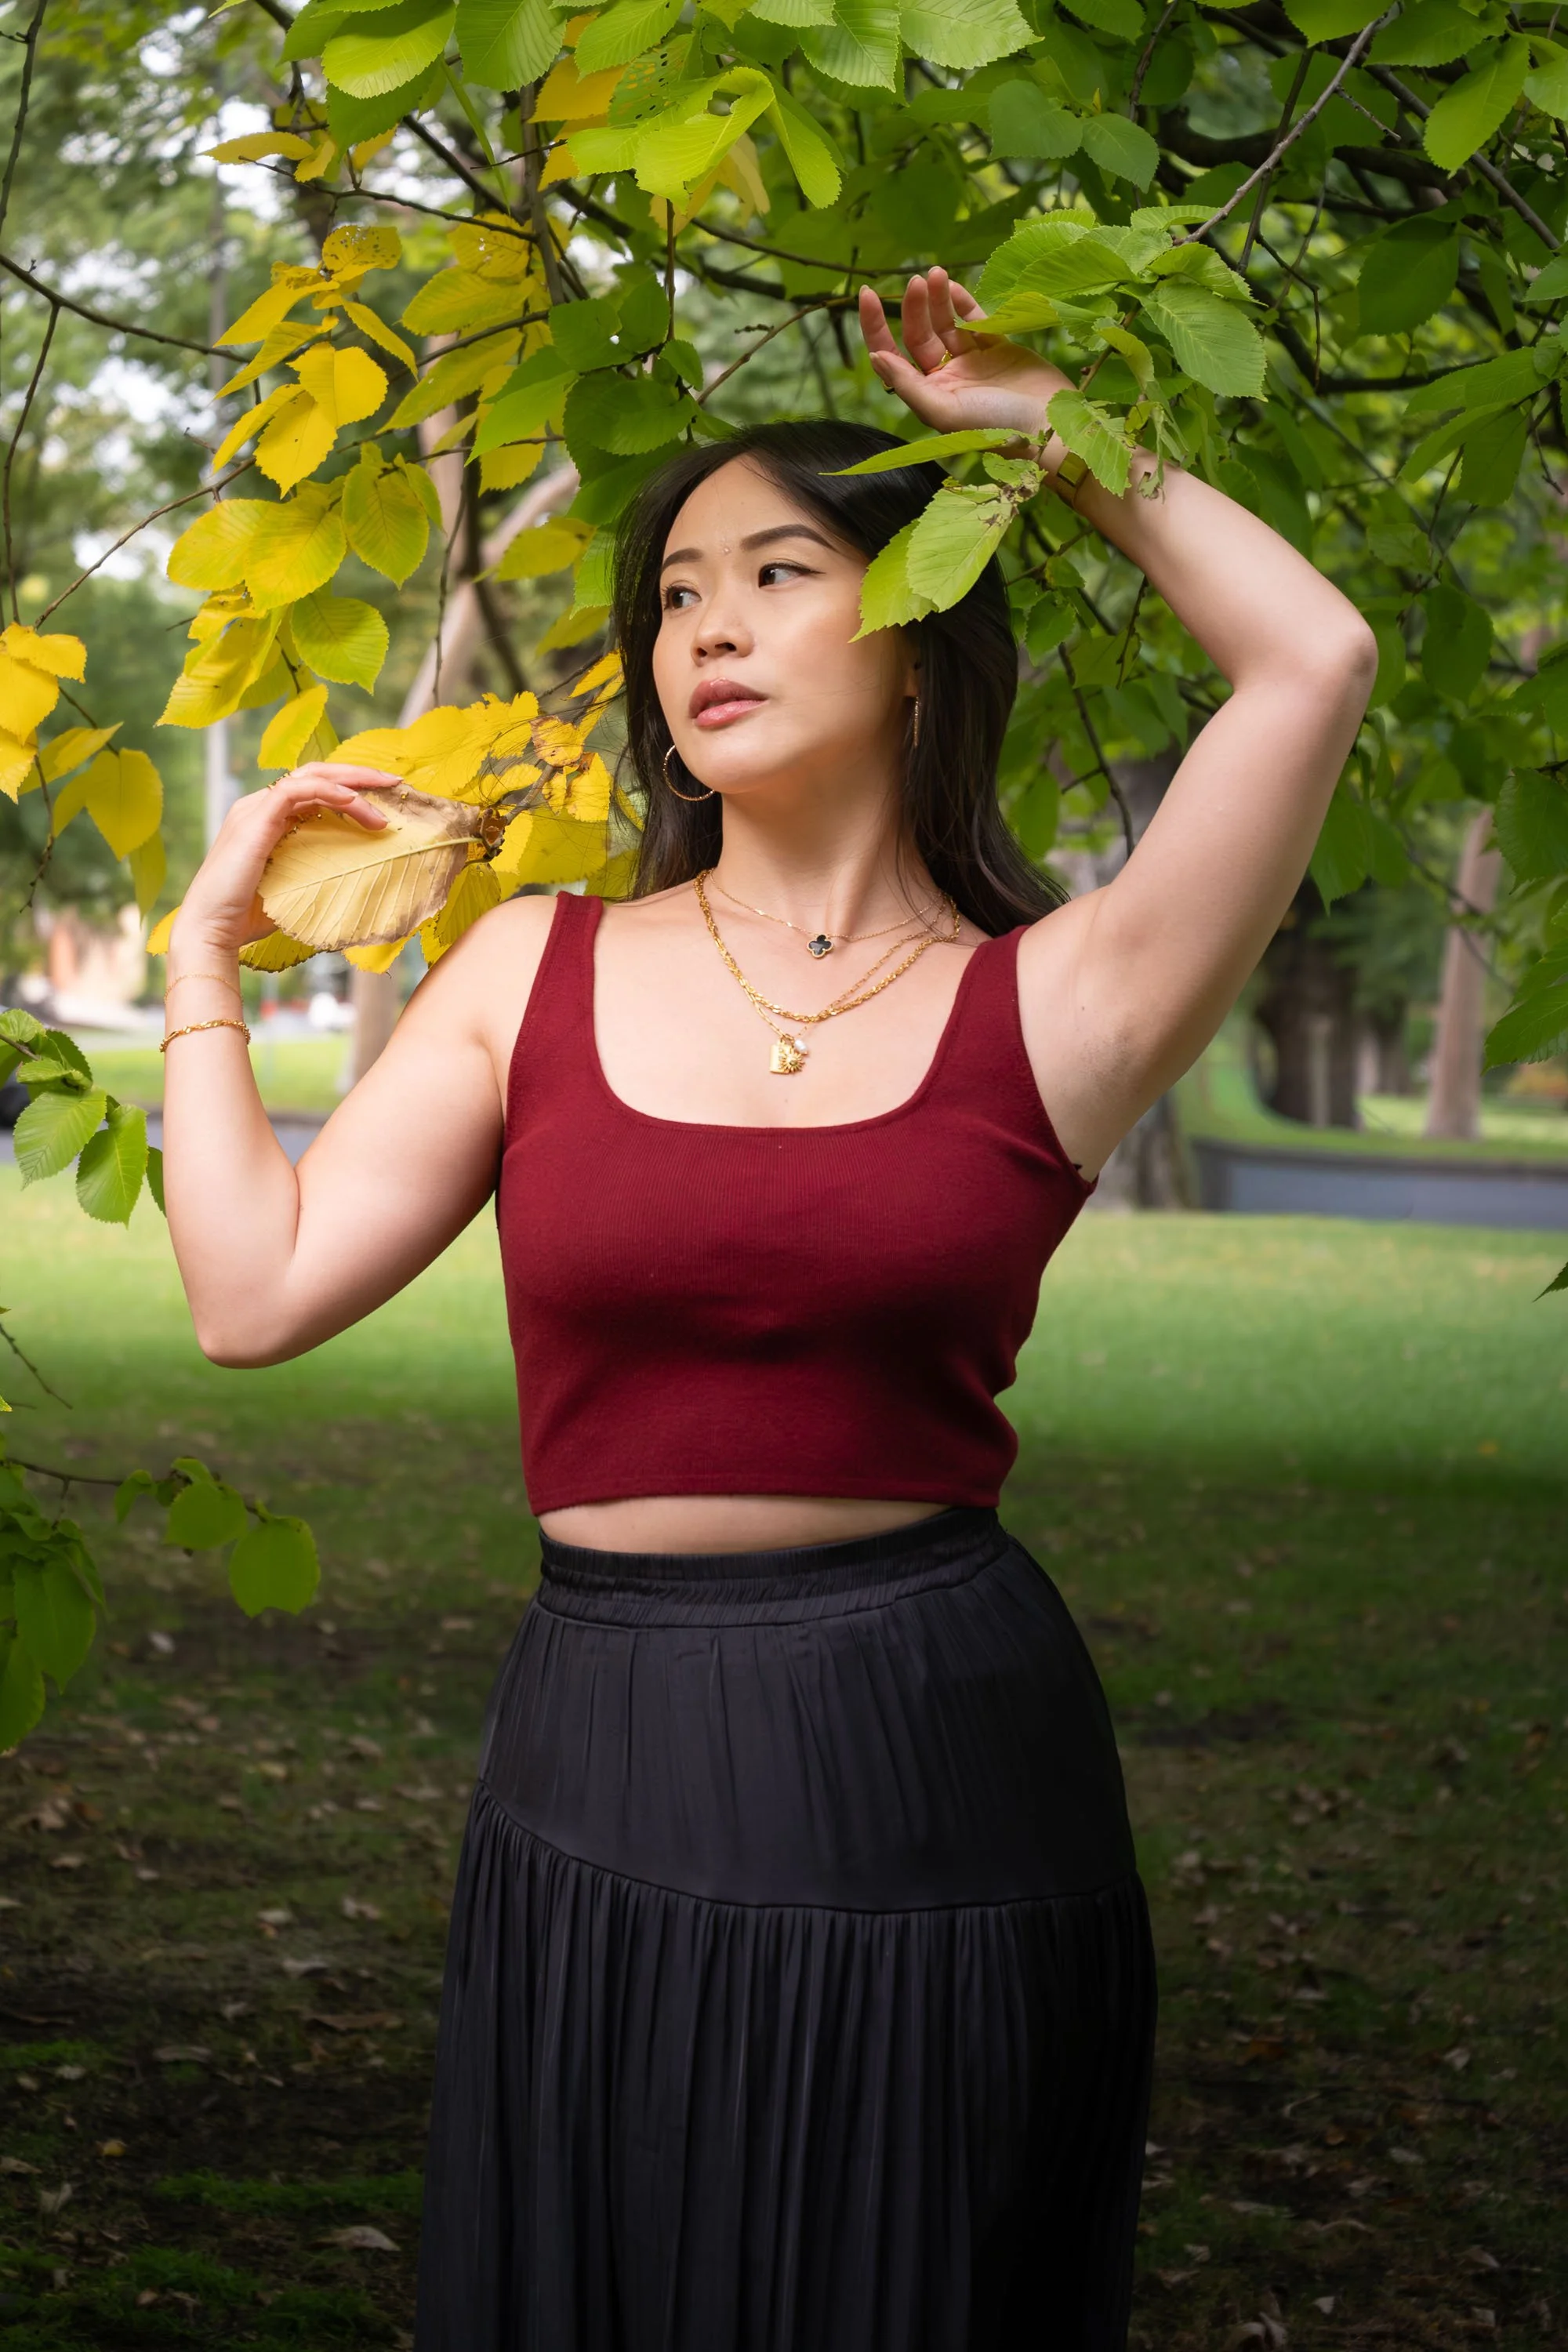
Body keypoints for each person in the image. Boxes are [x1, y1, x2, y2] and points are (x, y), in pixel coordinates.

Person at [159, 266, 1377, 2350]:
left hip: (938, 1768)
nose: (706, 626)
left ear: (914, 629)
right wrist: (202, 967)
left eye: (779, 573)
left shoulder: (1063, 1001)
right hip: (606, 1753)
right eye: (677, 594)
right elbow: (249, 1295)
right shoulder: (530, 971)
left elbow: (1312, 658)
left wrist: (1046, 434)